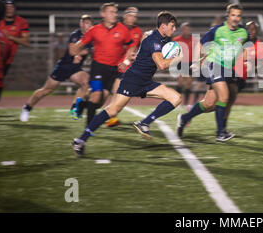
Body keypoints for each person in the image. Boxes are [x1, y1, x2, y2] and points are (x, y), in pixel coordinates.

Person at [71, 11, 182, 157]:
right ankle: (80, 140)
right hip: (133, 80)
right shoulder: (154, 40)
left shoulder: (159, 38)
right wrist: (178, 58)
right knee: (112, 111)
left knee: (176, 98)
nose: (174, 29)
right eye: (172, 26)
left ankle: (144, 123)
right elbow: (161, 64)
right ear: (163, 26)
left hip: (145, 81)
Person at [176, 3, 248, 141]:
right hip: (214, 65)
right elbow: (201, 44)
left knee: (209, 104)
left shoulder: (243, 32)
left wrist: (246, 60)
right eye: (233, 15)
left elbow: (245, 47)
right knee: (224, 96)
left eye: (238, 16)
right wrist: (196, 62)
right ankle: (220, 133)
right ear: (227, 15)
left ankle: (184, 118)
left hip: (228, 68)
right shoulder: (217, 30)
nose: (235, 18)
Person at [70, 2, 138, 127]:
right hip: (98, 68)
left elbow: (131, 45)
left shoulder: (122, 29)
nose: (114, 15)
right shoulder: (94, 30)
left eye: (115, 12)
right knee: (96, 96)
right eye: (111, 12)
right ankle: (89, 128)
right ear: (103, 14)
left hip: (113, 70)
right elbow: (77, 46)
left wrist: (126, 60)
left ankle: (81, 104)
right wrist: (76, 52)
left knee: (100, 102)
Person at [20, 15, 93, 122]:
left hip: (75, 68)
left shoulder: (91, 37)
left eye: (90, 24)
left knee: (86, 83)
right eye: (86, 23)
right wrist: (85, 52)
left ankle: (74, 108)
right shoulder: (75, 34)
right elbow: (72, 51)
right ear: (81, 24)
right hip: (63, 67)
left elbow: (91, 50)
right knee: (46, 90)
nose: (89, 26)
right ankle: (27, 108)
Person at [105, 6, 144, 127]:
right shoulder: (117, 28)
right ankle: (105, 114)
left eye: (135, 16)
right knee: (104, 94)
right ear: (125, 16)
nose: (133, 18)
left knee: (120, 93)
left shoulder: (138, 31)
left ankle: (111, 117)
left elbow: (138, 49)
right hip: (113, 65)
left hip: (127, 68)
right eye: (131, 16)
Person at [0, 0, 30, 77]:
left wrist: (10, 37)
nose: (9, 10)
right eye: (7, 7)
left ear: (15, 9)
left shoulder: (21, 22)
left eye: (11, 7)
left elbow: (26, 42)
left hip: (7, 59)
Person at [173, 22, 198, 109]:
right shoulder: (176, 39)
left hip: (190, 63)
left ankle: (186, 103)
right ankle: (177, 102)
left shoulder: (194, 40)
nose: (186, 31)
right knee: (180, 83)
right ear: (182, 30)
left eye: (188, 29)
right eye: (185, 29)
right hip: (180, 62)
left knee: (188, 84)